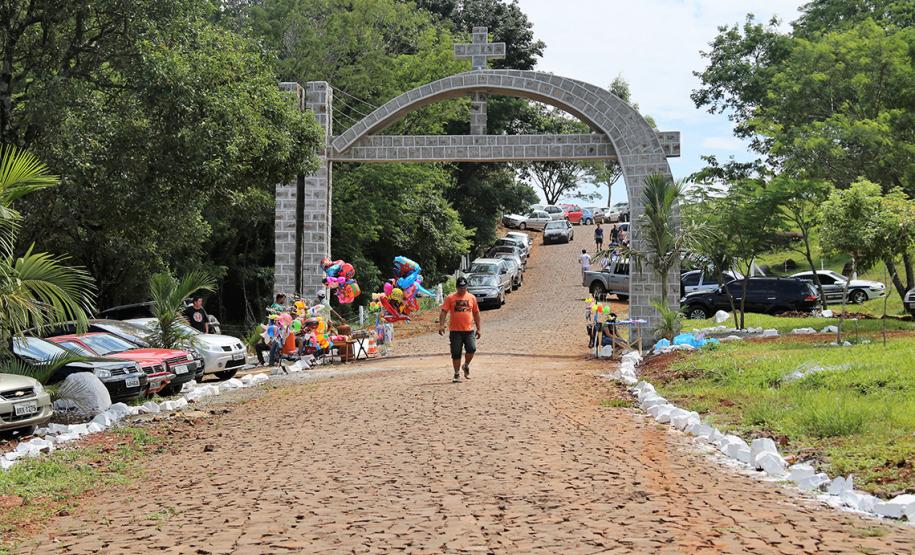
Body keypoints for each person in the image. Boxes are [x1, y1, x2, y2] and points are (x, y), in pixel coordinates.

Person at [438, 276, 481, 383]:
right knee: (456, 353)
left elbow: (476, 313)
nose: (462, 289)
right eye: (460, 287)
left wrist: (479, 328)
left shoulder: (471, 298)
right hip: (455, 330)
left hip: (469, 330)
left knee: (472, 349)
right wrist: (441, 325)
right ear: (457, 287)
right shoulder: (450, 298)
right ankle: (456, 374)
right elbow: (444, 312)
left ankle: (466, 365)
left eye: (464, 287)